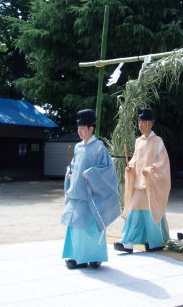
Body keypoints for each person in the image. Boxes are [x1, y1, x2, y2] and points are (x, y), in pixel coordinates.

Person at [61, 109, 120, 269]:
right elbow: (73, 166)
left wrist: (92, 174)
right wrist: (70, 173)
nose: (79, 131)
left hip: (91, 196)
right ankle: (75, 256)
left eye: (82, 128)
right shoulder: (78, 147)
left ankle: (94, 257)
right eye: (78, 128)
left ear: (91, 128)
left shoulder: (99, 148)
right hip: (77, 194)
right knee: (75, 225)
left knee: (91, 228)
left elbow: (107, 170)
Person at [114, 108, 171, 253]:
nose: (140, 125)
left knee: (150, 212)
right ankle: (129, 243)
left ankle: (153, 242)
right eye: (139, 122)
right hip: (139, 184)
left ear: (151, 124)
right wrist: (130, 168)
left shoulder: (158, 141)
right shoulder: (138, 141)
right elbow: (135, 160)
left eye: (143, 122)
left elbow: (163, 163)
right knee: (135, 211)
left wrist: (151, 170)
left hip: (151, 183)